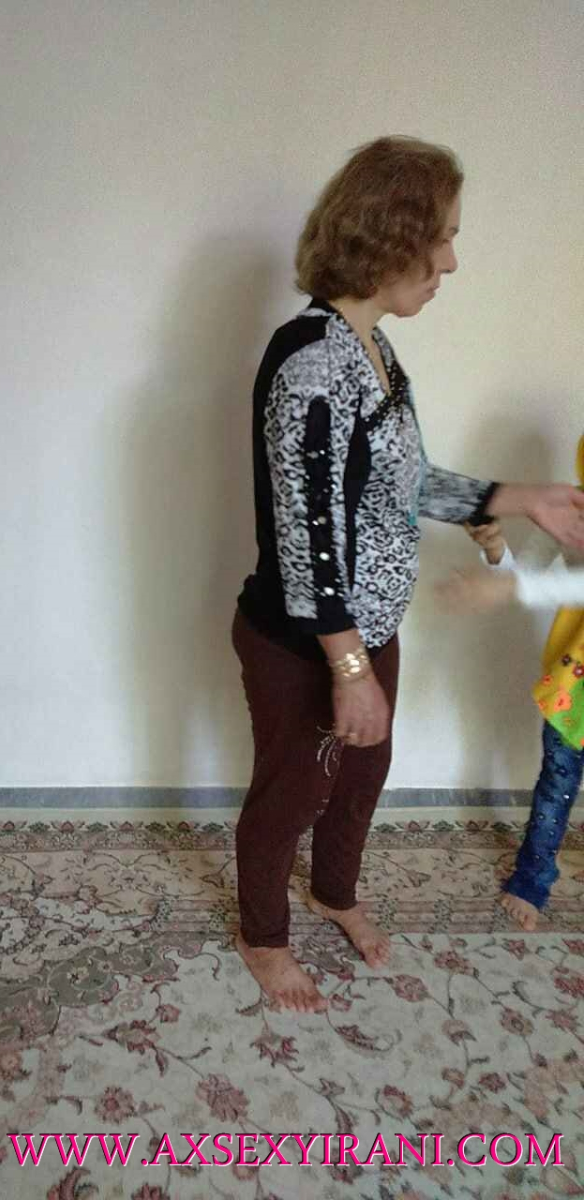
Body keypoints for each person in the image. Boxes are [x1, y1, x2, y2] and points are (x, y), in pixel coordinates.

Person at [232, 135, 584, 1013]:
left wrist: (520, 499)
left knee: (362, 777)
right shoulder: (312, 363)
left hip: (370, 627)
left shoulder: (373, 349)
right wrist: (349, 669)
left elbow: (405, 480)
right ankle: (262, 936)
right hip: (307, 643)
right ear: (391, 239)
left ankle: (335, 893)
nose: (451, 263)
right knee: (294, 793)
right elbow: (306, 539)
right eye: (443, 238)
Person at [437, 439, 584, 929]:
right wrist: (496, 550)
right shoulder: (572, 511)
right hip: (575, 684)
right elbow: (527, 575)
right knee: (556, 785)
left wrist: (508, 587)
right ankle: (533, 879)